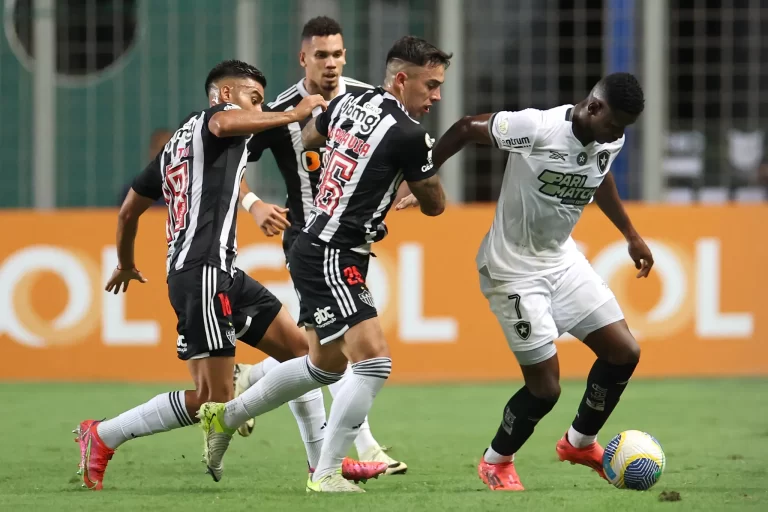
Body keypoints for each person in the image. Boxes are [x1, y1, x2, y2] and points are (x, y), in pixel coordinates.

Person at [72, 59, 371, 490]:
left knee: (306, 356)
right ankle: (101, 435)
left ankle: (321, 466)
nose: (258, 108)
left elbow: (128, 212)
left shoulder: (174, 148)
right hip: (201, 274)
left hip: (222, 273)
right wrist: (294, 112)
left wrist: (124, 261)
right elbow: (222, 125)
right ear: (226, 96)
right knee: (212, 402)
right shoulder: (213, 119)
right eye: (253, 98)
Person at [197, 36, 451, 493]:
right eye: (430, 85)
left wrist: (355, 166)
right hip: (335, 251)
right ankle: (327, 472)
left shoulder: (353, 101)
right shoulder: (411, 134)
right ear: (401, 79)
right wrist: (413, 178)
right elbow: (434, 204)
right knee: (373, 361)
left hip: (314, 243)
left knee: (325, 365)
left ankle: (227, 416)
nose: (436, 96)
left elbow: (312, 135)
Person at [399, 72, 652, 491]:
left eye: (623, 127)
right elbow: (465, 128)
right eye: (613, 123)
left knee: (624, 352)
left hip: (562, 260)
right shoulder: (536, 128)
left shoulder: (609, 137)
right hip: (512, 268)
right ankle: (496, 460)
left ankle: (579, 442)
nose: (616, 133)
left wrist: (630, 233)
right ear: (593, 106)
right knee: (545, 388)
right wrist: (420, 176)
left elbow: (598, 174)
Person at [235, 15, 406, 476]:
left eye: (337, 54)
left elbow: (398, 150)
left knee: (325, 355)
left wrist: (406, 184)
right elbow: (229, 165)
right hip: (308, 242)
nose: (330, 64)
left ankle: (249, 381)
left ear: (345, 55)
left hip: (351, 243)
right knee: (353, 347)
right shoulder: (283, 111)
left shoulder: (366, 101)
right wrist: (252, 203)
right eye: (320, 56)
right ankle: (364, 448)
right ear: (303, 58)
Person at [118, 129, 173, 206]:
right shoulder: (133, 190)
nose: (167, 155)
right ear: (151, 152)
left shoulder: (187, 188)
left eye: (171, 150)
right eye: (161, 149)